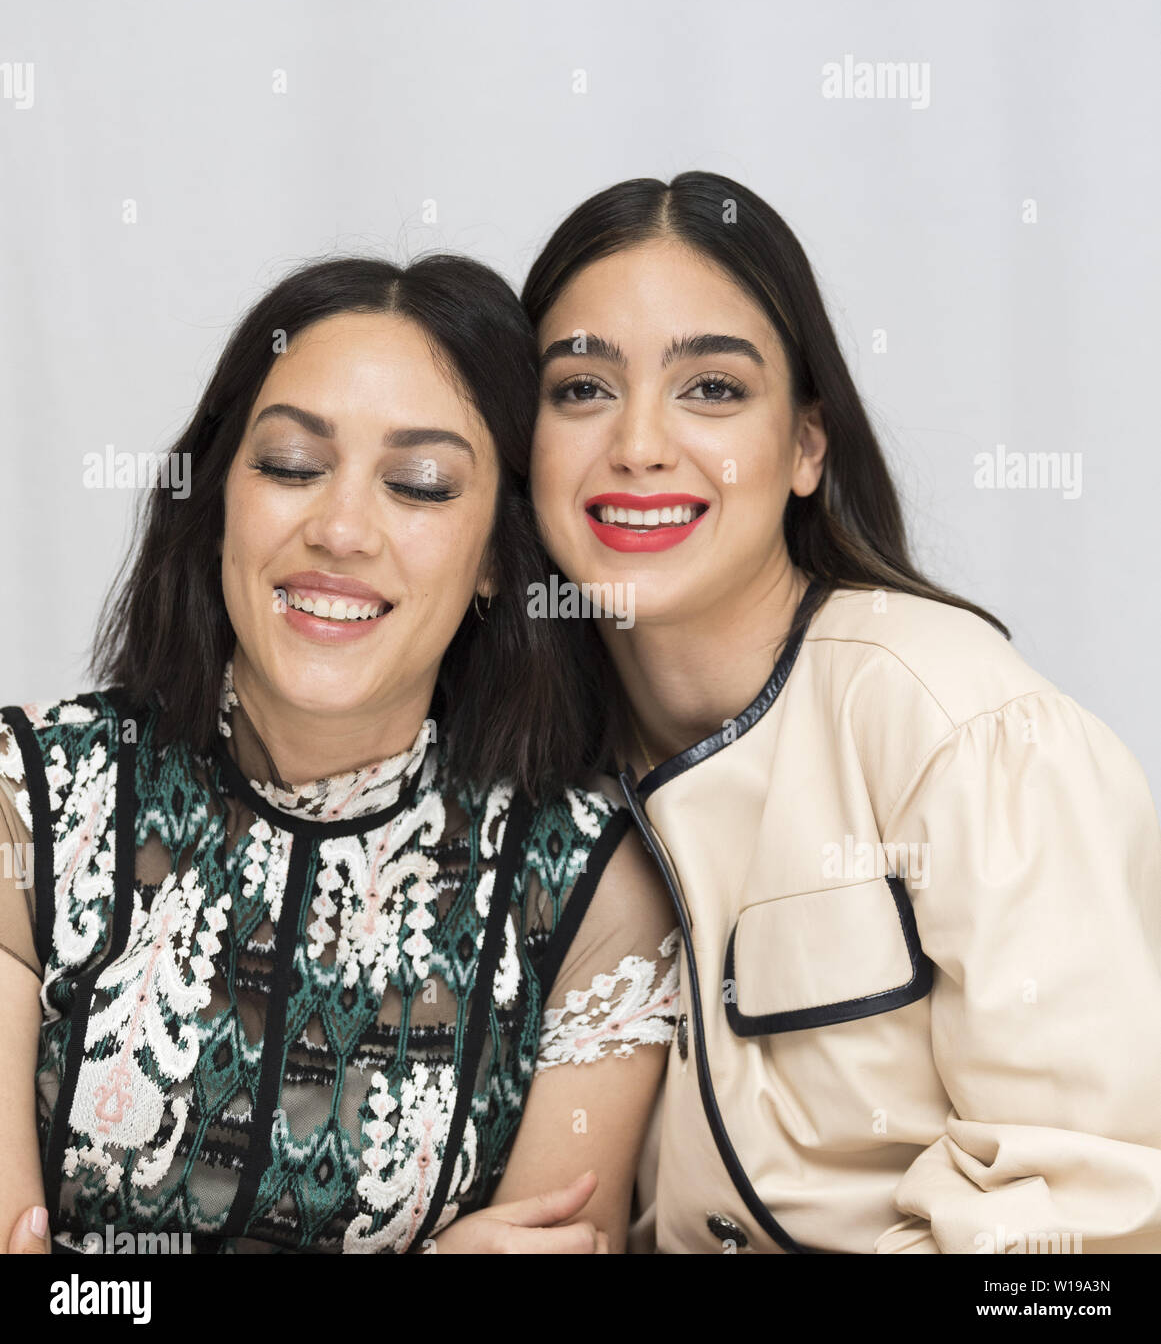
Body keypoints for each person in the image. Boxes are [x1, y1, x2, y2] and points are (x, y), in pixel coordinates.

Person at [522, 171, 1161, 1254]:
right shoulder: (522, 774)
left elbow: (1101, 1235)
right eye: (582, 388)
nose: (638, 444)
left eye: (712, 388)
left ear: (809, 446)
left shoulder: (959, 722)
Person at [0, 253, 679, 1255]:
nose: (342, 529)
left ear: (497, 554)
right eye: (288, 465)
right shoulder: (36, 803)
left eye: (420, 483)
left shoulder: (587, 889)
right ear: (219, 492)